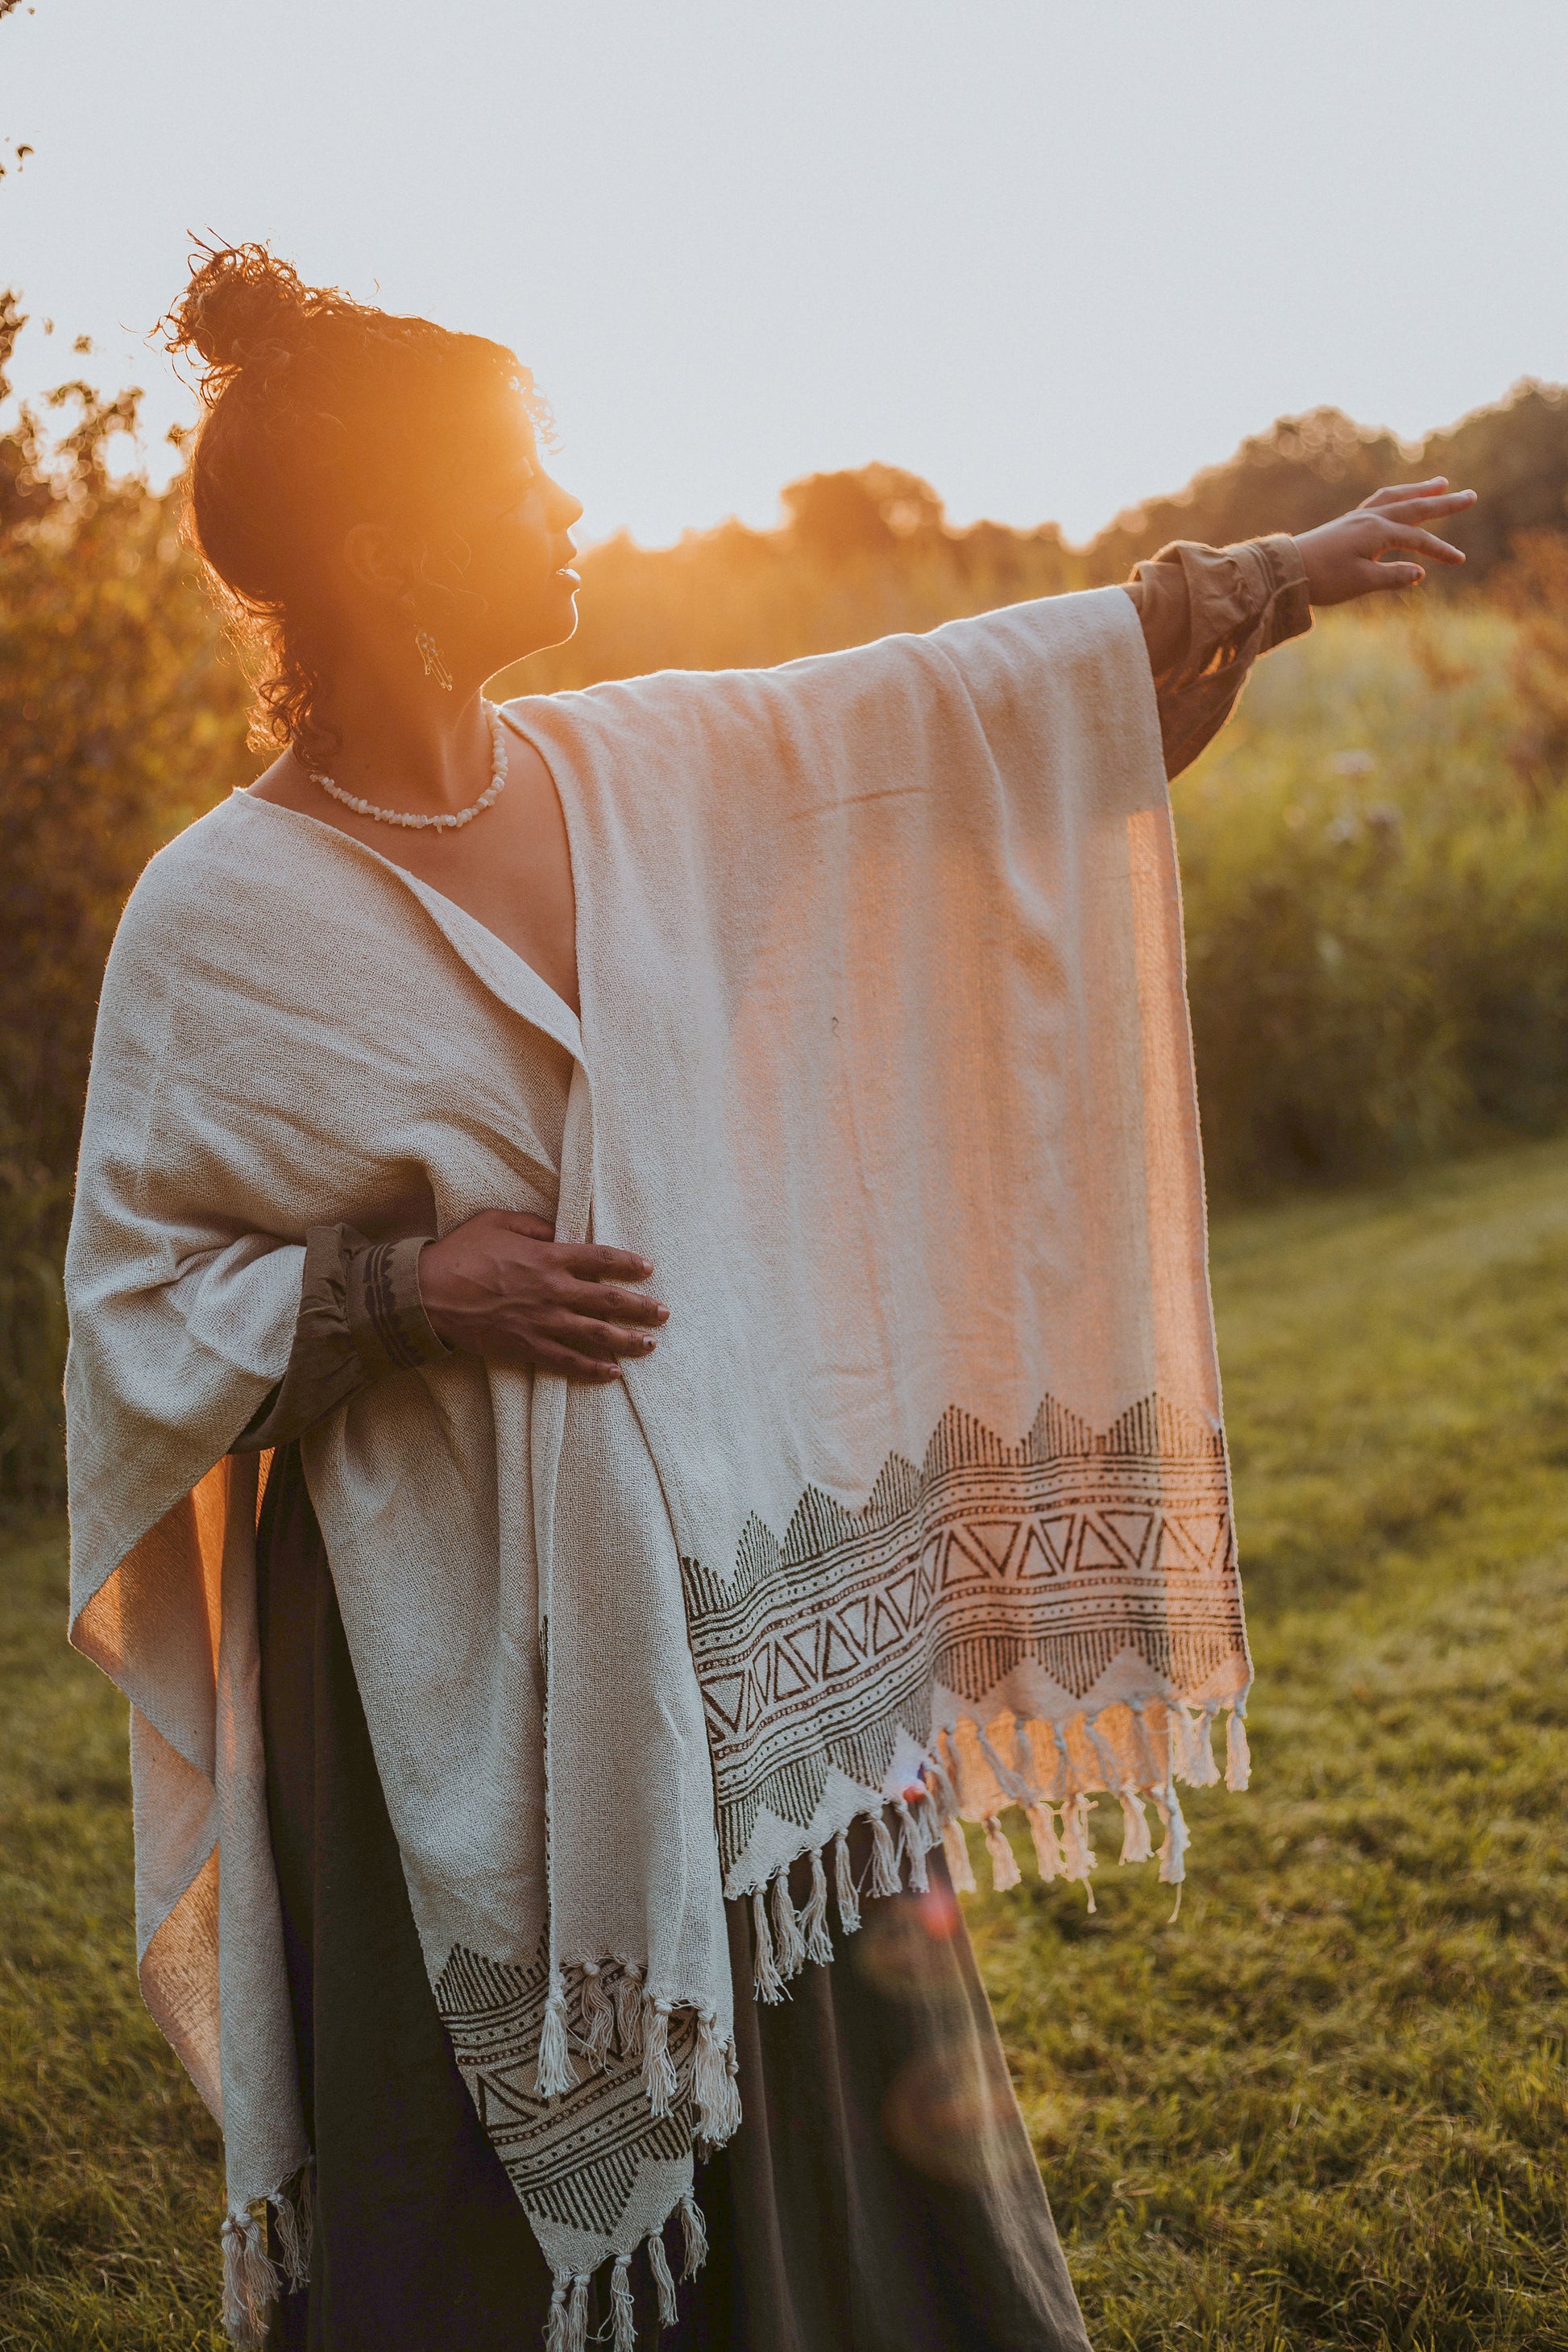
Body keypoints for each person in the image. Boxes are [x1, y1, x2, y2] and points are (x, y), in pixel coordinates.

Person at [63, 243, 1475, 2352]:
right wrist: (401, 1278)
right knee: (465, 2216)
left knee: (840, 2148)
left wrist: (1251, 579)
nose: (564, 502)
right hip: (444, 1660)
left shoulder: (634, 775)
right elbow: (134, 1308)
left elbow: (924, 737)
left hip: (743, 1596)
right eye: (521, 473)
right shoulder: (221, 915)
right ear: (383, 543)